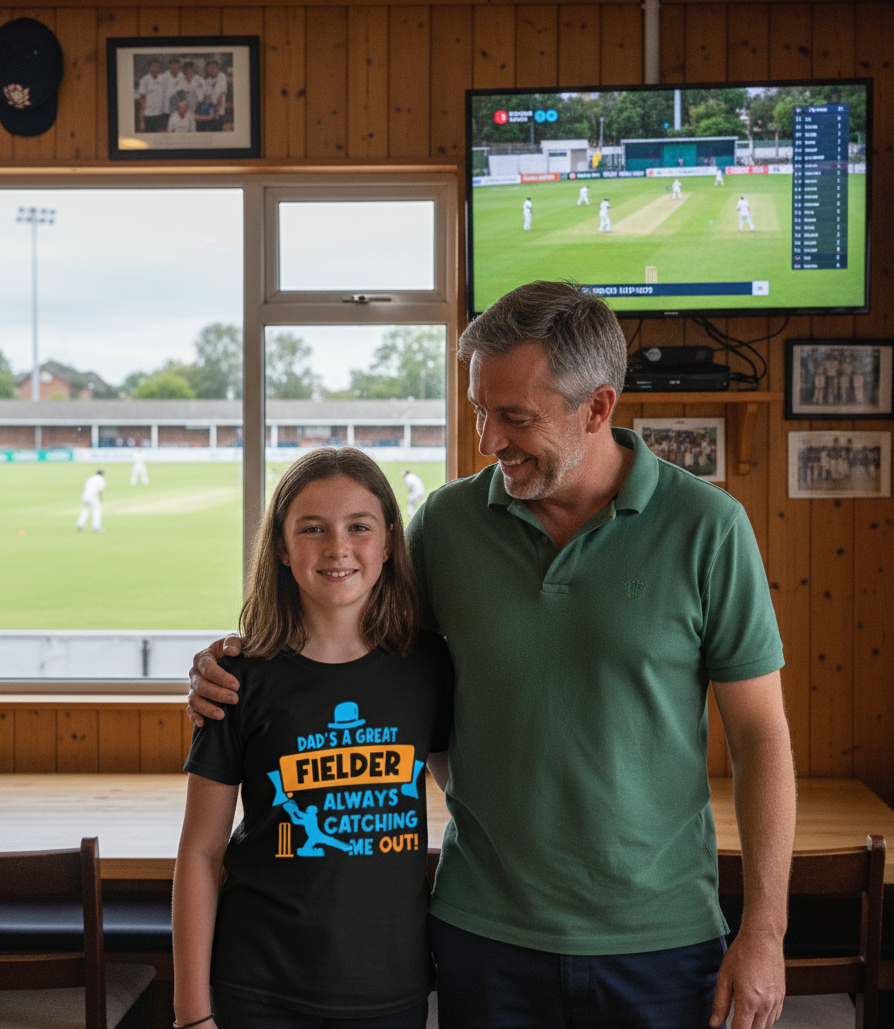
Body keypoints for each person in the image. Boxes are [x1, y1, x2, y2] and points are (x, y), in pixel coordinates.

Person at [187, 282, 796, 1029]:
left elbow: (761, 735)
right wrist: (232, 661)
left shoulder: (710, 528)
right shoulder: (447, 524)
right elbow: (350, 628)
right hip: (484, 932)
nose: (488, 439)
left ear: (598, 408)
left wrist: (765, 930)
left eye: (514, 417)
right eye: (480, 410)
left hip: (661, 939)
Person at [173, 447, 453, 1029]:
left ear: (388, 541)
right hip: (259, 987)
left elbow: (472, 805)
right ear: (280, 545)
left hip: (391, 987)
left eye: (359, 527)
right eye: (312, 529)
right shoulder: (237, 678)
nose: (337, 548)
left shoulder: (429, 666)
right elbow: (200, 853)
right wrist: (191, 1015)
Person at [195, 58, 228, 132]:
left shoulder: (222, 77)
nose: (212, 70)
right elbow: (205, 97)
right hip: (208, 111)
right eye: (210, 68)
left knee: (217, 132)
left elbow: (221, 96)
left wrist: (216, 112)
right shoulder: (207, 80)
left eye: (214, 67)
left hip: (218, 111)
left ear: (217, 68)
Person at [137, 59, 167, 133]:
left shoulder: (163, 79)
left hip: (161, 113)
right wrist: (142, 117)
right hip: (149, 114)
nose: (155, 68)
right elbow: (142, 97)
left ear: (160, 69)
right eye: (153, 66)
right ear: (150, 68)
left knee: (160, 136)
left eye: (157, 67)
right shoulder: (145, 80)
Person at [75, 468, 105, 532]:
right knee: (97, 510)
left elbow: (85, 487)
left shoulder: (91, 478)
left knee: (86, 509)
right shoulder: (101, 479)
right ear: (102, 473)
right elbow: (101, 490)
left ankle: (80, 524)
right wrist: (101, 498)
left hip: (85, 495)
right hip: (93, 496)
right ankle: (96, 527)